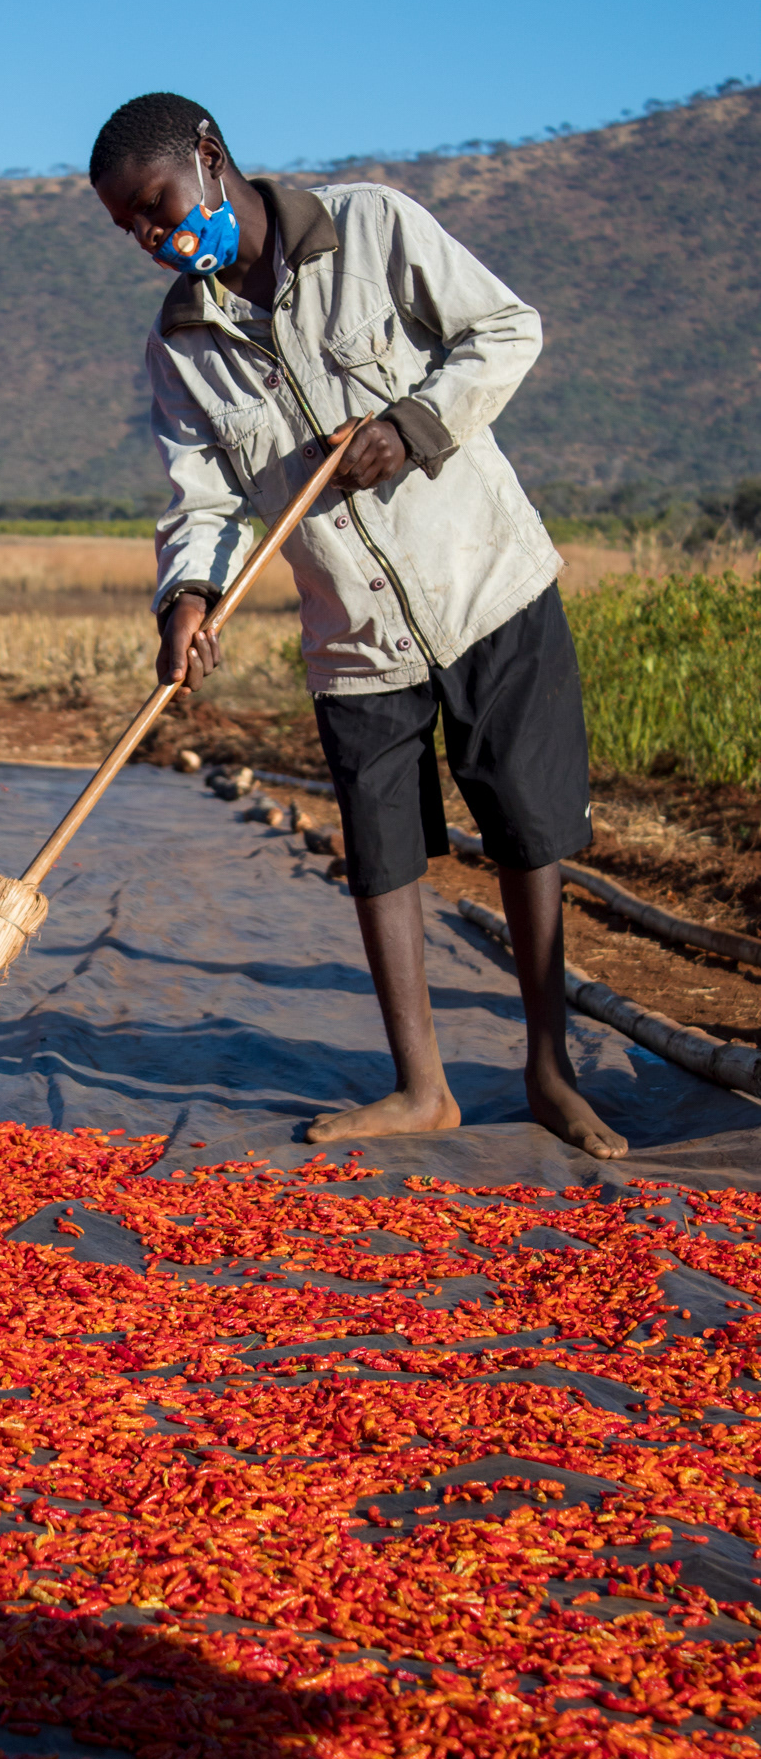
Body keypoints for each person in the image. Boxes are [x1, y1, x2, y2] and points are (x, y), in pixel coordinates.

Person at [90, 91, 626, 1162]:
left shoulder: (372, 227)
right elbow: (200, 498)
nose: (152, 239)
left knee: (525, 829)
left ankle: (547, 1069)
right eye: (130, 230)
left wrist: (410, 428)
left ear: (208, 156)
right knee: (381, 854)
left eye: (154, 208)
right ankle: (421, 1086)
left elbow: (504, 328)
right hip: (353, 633)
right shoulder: (181, 345)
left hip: (484, 587)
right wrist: (187, 597)